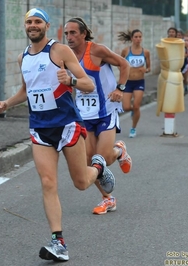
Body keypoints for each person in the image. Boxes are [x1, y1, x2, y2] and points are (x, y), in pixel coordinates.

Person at [0, 8, 116, 262]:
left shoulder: (59, 51)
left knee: (81, 183)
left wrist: (70, 80)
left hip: (67, 124)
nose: (32, 25)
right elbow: (27, 91)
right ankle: (58, 242)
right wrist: (7, 103)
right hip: (39, 128)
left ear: (47, 26)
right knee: (48, 182)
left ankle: (98, 165)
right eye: (29, 22)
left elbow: (89, 84)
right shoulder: (23, 58)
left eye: (37, 21)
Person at [64, 17, 132, 215]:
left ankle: (119, 151)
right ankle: (108, 199)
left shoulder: (96, 50)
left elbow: (124, 65)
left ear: (83, 34)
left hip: (106, 110)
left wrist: (120, 88)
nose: (69, 37)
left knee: (103, 159)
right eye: (66, 33)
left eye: (73, 33)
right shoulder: (65, 55)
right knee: (89, 161)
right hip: (84, 114)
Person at [118, 29, 151, 138]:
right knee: (126, 107)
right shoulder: (126, 51)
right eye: (136, 37)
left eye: (140, 37)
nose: (138, 39)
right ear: (132, 38)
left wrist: (145, 70)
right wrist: (123, 73)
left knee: (136, 105)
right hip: (128, 82)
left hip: (139, 82)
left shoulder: (145, 52)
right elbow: (119, 63)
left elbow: (149, 68)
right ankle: (134, 111)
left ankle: (133, 128)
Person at [168, 28, 188, 96]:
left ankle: (185, 86)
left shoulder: (184, 43)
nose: (178, 36)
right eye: (177, 35)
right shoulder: (171, 43)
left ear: (182, 36)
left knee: (183, 79)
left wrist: (183, 55)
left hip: (183, 63)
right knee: (177, 78)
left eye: (180, 35)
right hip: (174, 63)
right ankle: (177, 92)